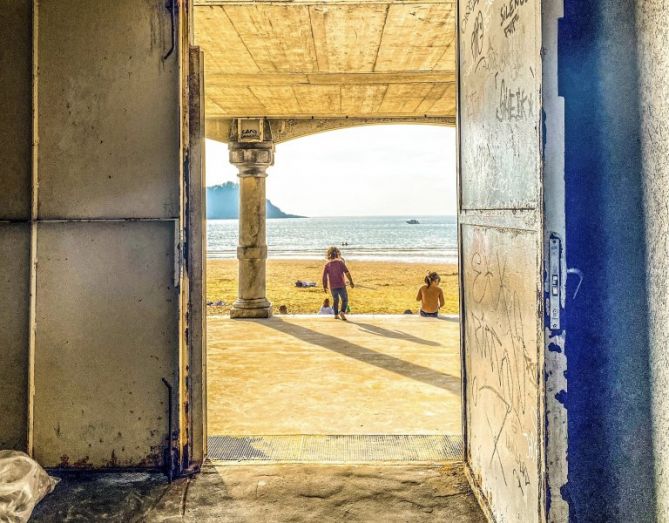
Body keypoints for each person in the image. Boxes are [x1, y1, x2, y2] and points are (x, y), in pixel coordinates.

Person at [322, 246, 354, 320]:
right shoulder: (340, 263)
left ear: (328, 255)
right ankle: (342, 312)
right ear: (338, 254)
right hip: (341, 285)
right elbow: (347, 273)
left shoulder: (327, 265)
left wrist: (325, 286)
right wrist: (351, 282)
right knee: (345, 299)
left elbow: (324, 277)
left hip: (333, 286)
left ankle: (336, 314)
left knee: (335, 300)